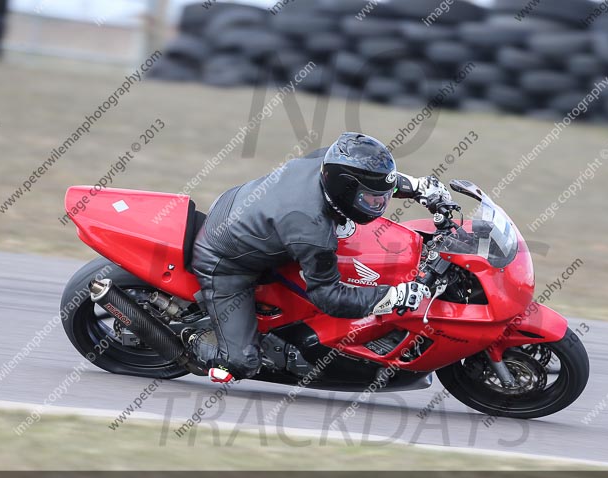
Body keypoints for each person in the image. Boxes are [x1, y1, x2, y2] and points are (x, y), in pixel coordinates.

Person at [186, 132, 451, 383]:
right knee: (242, 363)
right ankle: (196, 342)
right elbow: (329, 298)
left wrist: (418, 187)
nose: (379, 205)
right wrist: (391, 297)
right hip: (225, 261)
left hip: (243, 209)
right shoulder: (311, 231)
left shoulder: (330, 161)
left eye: (380, 198)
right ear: (343, 190)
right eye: (371, 200)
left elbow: (368, 177)